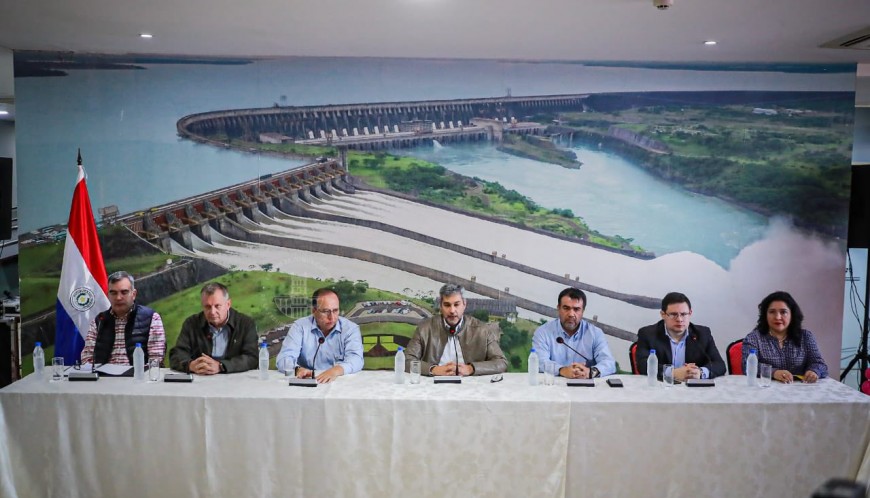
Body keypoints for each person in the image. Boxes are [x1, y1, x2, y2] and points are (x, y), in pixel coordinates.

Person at [405, 283, 507, 376]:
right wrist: (433, 369)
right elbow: (407, 361)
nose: (452, 310)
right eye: (447, 305)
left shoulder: (483, 330)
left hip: (470, 384)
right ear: (441, 306)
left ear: (464, 304)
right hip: (434, 383)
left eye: (456, 304)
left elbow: (501, 362)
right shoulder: (424, 328)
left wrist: (471, 368)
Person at [275, 288, 363, 383]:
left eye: (335, 310)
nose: (332, 317)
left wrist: (335, 371)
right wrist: (298, 370)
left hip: (339, 381)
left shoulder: (350, 329)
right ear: (314, 310)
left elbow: (357, 359)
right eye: (325, 311)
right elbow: (284, 359)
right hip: (307, 381)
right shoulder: (300, 327)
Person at [169, 282, 259, 375]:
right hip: (200, 378)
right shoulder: (191, 324)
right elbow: (176, 355)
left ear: (228, 304)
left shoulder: (245, 324)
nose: (212, 312)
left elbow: (252, 358)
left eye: (217, 306)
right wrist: (190, 365)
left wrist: (221, 366)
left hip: (234, 379)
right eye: (207, 307)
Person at [635, 292, 726, 381]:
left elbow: (719, 365)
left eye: (683, 314)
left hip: (694, 388)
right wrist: (672, 373)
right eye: (673, 314)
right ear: (663, 315)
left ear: (690, 313)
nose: (679, 319)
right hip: (662, 387)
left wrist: (700, 372)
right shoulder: (647, 334)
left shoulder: (703, 334)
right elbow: (643, 365)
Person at [81, 271, 166, 366]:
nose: (118, 298)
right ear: (108, 295)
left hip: (138, 374)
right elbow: (86, 358)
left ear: (134, 294)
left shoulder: (151, 318)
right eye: (113, 293)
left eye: (124, 292)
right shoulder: (99, 320)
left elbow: (156, 360)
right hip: (103, 375)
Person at [743, 291, 828, 383]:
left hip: (801, 388)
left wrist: (814, 371)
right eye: (772, 312)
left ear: (792, 315)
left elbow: (819, 364)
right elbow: (746, 366)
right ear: (765, 315)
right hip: (766, 388)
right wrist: (774, 372)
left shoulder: (806, 337)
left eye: (783, 312)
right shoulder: (753, 338)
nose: (777, 317)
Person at [532, 287, 616, 378]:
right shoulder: (543, 332)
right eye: (566, 308)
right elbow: (539, 361)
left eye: (576, 309)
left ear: (583, 311)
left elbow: (609, 363)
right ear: (558, 308)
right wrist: (562, 370)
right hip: (554, 384)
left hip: (586, 384)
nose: (571, 314)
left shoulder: (595, 333)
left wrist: (590, 372)